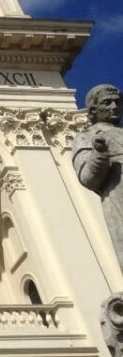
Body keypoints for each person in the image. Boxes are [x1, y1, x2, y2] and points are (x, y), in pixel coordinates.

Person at [73, 84, 123, 271]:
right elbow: (88, 178)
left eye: (117, 102)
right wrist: (100, 153)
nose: (114, 107)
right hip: (118, 192)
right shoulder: (87, 137)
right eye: (107, 103)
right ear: (93, 109)